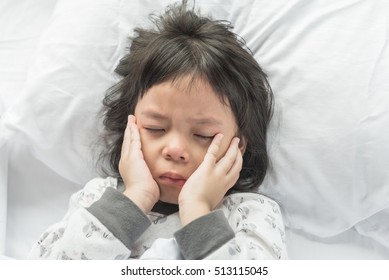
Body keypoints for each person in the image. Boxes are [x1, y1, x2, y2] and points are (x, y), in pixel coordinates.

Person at [28, 1, 287, 260]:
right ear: (129, 126)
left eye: (203, 135)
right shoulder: (98, 198)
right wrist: (134, 199)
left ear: (238, 147)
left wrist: (198, 208)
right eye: (155, 128)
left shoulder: (250, 214)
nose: (175, 149)